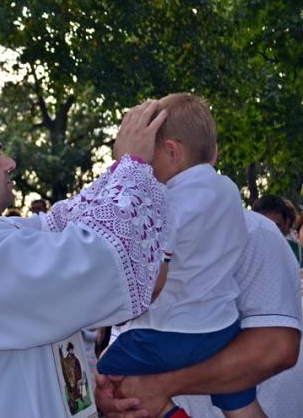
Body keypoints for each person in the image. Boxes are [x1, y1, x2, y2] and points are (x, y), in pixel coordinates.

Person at [0, 100, 170, 417]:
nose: (10, 162)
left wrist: (84, 398)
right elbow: (95, 257)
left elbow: (60, 224)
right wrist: (132, 165)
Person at [97, 94, 261, 418]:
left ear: (172, 152)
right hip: (224, 328)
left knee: (107, 378)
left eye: (146, 155)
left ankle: (168, 411)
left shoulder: (166, 200)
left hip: (172, 331)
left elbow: (154, 284)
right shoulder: (229, 189)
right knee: (241, 406)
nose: (142, 166)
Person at [95, 209, 301, 418]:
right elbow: (127, 335)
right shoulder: (139, 235)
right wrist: (112, 391)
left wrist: (160, 385)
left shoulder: (253, 230)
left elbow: (277, 347)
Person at [252, 194, 301, 265]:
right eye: (264, 227)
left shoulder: (299, 254)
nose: (269, 233)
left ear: (286, 224)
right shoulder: (242, 255)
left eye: (275, 227)